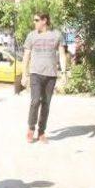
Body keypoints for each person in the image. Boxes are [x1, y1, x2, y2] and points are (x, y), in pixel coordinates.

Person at [21, 13, 66, 144]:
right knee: (35, 101)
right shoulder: (31, 35)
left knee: (46, 103)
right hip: (35, 74)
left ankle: (41, 132)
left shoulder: (57, 35)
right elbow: (26, 56)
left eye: (36, 20)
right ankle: (31, 128)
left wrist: (64, 73)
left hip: (51, 75)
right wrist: (24, 74)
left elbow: (62, 55)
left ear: (44, 21)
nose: (34, 22)